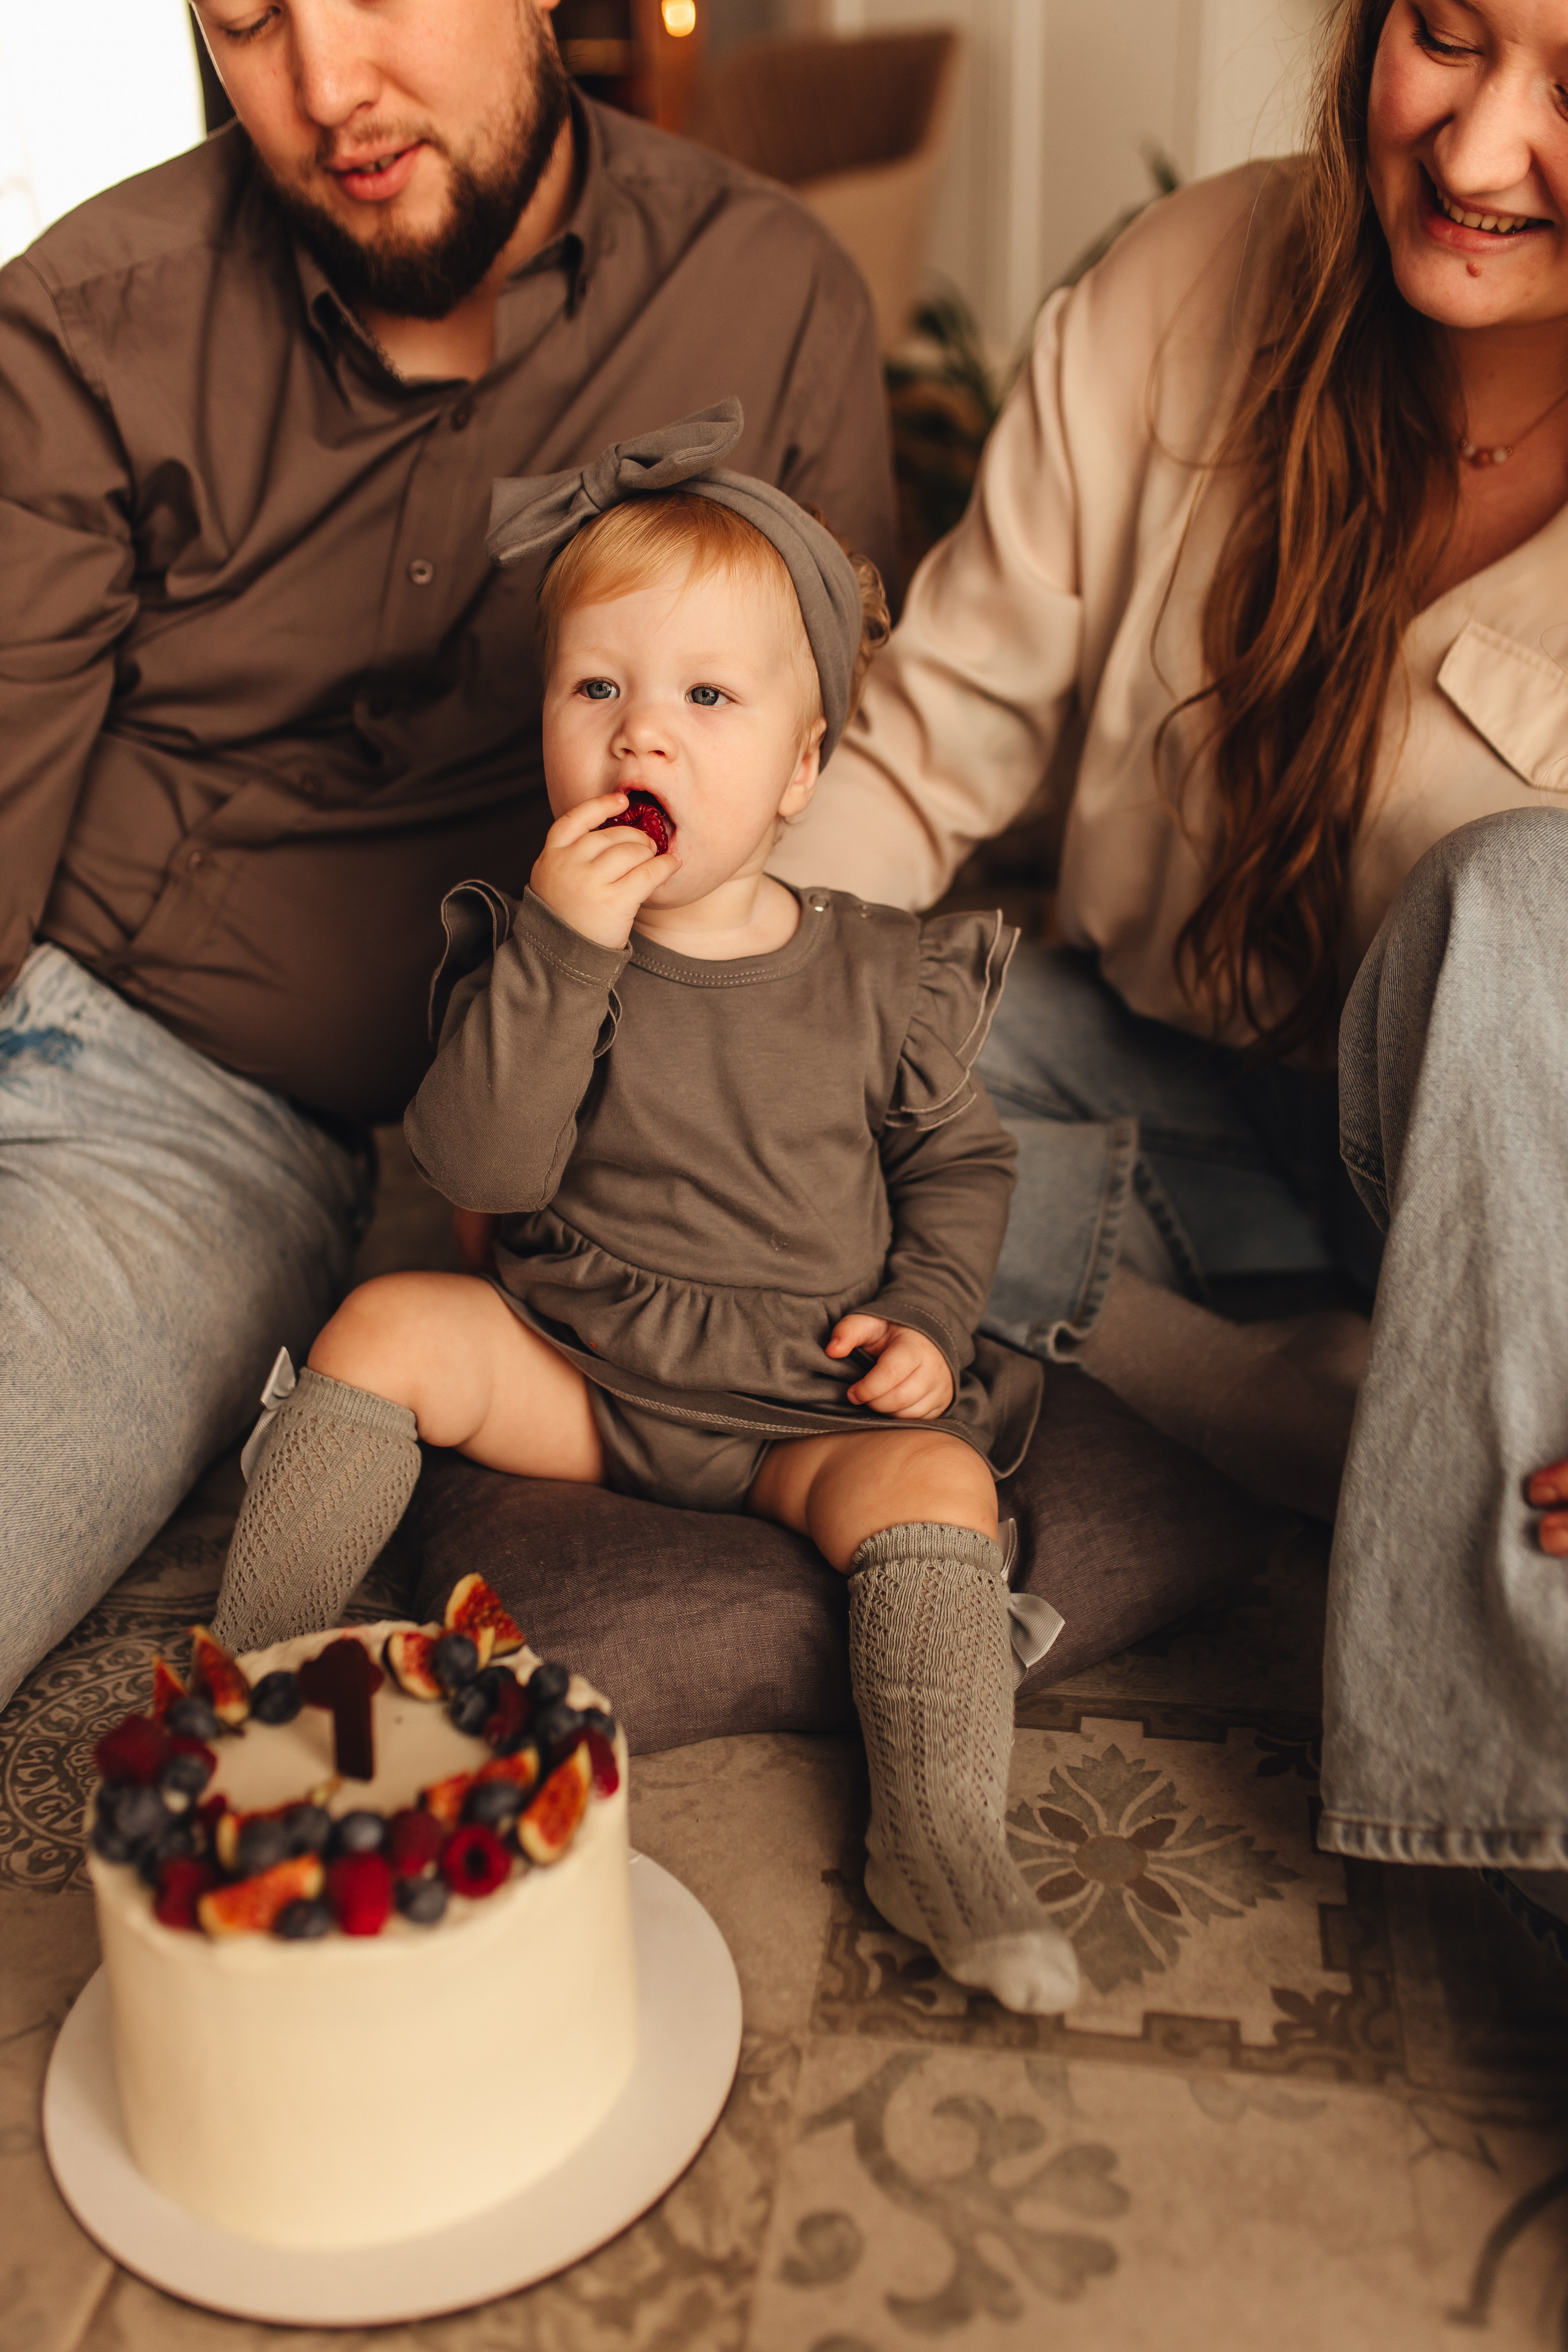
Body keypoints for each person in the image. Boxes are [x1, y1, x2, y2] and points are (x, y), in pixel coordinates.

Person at [771, 0, 1568, 1939]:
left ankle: (1510, 1787)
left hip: (1519, 1176)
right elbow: (916, 745)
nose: (1473, 155)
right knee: (807, 1090)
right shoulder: (1184, 283)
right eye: (1449, 40)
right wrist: (700, 1028)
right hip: (1155, 1087)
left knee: (1523, 902)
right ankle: (1368, 1425)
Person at [0, 0, 895, 1710]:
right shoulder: (85, 320)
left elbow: (811, 805)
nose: (328, 88)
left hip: (247, 1127)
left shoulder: (769, 298)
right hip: (105, 1010)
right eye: (249, 19)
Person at [206, 406, 1077, 2016]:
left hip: (796, 1402)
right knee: (389, 1321)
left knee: (942, 1481)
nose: (640, 739)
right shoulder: (534, 944)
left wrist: (934, 1323)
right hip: (583, 1367)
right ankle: (254, 1687)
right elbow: (479, 1170)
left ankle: (944, 1837)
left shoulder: (877, 970)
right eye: (596, 689)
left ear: (803, 764)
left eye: (706, 699)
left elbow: (964, 1166)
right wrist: (557, 953)